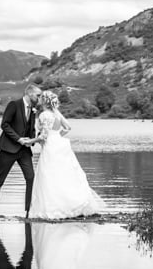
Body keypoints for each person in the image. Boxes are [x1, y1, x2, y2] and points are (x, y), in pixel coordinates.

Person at [27, 90, 106, 219]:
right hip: (60, 145)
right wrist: (57, 136)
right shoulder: (57, 114)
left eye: (41, 98)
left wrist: (30, 141)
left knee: (50, 177)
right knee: (64, 175)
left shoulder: (44, 115)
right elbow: (67, 127)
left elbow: (44, 136)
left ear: (44, 101)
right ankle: (72, 205)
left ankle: (54, 209)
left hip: (50, 148)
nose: (39, 99)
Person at [0, 84, 41, 217]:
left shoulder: (33, 109)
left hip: (24, 151)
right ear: (29, 94)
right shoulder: (14, 105)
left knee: (31, 177)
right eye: (38, 95)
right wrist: (19, 139)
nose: (39, 98)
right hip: (8, 148)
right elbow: (4, 124)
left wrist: (31, 140)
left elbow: (31, 128)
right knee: (0, 179)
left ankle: (28, 211)